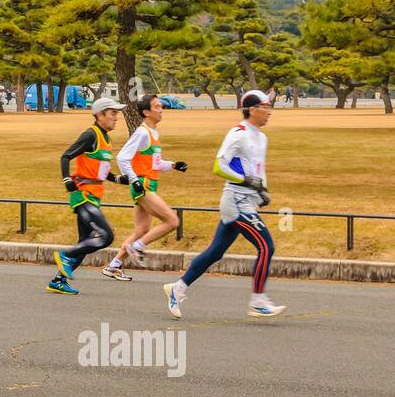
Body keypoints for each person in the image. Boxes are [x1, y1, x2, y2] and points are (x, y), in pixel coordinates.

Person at [163, 90, 285, 319]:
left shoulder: (262, 137)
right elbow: (219, 167)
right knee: (266, 246)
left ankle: (177, 288)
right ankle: (258, 300)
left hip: (248, 202)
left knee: (215, 252)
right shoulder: (237, 134)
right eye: (265, 107)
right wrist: (246, 181)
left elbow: (256, 169)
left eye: (270, 107)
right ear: (252, 109)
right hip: (235, 203)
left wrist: (262, 191)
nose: (269, 112)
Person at [46, 96, 132, 295]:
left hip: (94, 195)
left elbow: (101, 171)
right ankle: (65, 255)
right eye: (112, 113)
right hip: (83, 195)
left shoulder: (105, 138)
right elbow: (66, 156)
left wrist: (118, 179)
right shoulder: (90, 135)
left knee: (84, 243)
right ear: (99, 115)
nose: (116, 118)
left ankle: (58, 281)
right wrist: (66, 180)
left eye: (116, 113)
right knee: (106, 236)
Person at [102, 94, 188, 281]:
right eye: (156, 106)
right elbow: (122, 158)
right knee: (172, 221)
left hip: (149, 184)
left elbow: (154, 164)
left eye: (161, 106)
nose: (161, 109)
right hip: (144, 186)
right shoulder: (142, 133)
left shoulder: (153, 133)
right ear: (146, 112)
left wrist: (173, 165)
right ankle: (137, 246)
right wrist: (135, 181)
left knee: (142, 230)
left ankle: (114, 265)